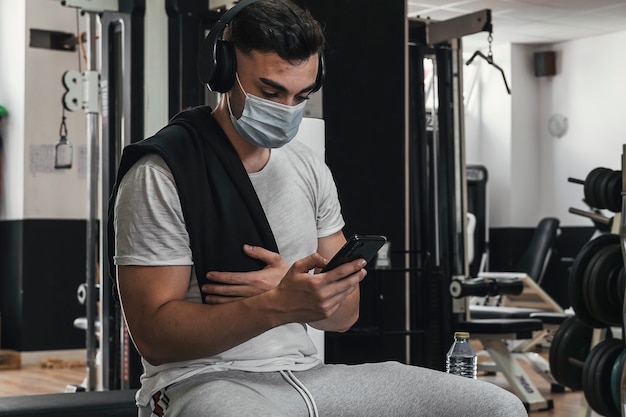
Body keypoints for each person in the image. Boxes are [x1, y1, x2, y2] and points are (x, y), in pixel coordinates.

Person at [109, 0, 528, 415]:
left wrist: (308, 295)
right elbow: (155, 337)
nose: (287, 110)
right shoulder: (160, 173)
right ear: (222, 72)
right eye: (271, 91)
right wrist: (277, 303)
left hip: (308, 375)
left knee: (496, 408)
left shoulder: (308, 166)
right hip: (202, 381)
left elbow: (346, 314)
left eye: (301, 96)